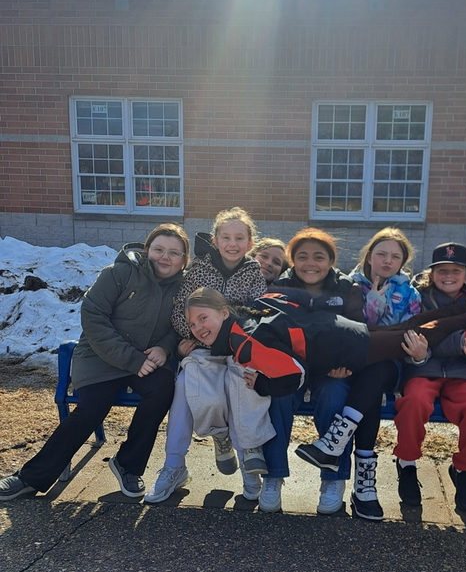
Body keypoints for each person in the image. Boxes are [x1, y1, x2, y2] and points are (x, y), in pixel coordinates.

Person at [0, 224, 190, 502]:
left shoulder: (182, 289)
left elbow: (181, 327)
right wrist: (132, 359)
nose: (165, 257)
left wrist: (165, 347)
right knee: (92, 408)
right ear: (147, 249)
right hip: (101, 357)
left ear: (184, 259)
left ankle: (128, 464)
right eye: (159, 249)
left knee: (163, 389)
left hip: (146, 360)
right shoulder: (119, 274)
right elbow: (93, 316)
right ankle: (30, 477)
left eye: (174, 253)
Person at [182, 285, 466, 426]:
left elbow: (294, 376)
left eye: (203, 319)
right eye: (192, 324)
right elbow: (298, 305)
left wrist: (263, 384)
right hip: (338, 329)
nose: (198, 328)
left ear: (224, 312)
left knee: (417, 335)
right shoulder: (249, 316)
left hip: (343, 347)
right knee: (409, 326)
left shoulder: (245, 343)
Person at [144, 206, 269, 505]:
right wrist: (189, 336)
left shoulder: (253, 272)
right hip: (202, 349)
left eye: (240, 237)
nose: (232, 244)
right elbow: (179, 311)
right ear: (215, 240)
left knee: (240, 386)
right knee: (185, 384)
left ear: (250, 243)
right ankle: (173, 465)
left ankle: (249, 467)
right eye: (226, 237)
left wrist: (228, 327)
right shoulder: (199, 269)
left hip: (238, 351)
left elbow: (262, 314)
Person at [259, 228, 365, 516]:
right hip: (294, 367)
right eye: (302, 256)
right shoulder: (280, 287)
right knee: (278, 394)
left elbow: (357, 332)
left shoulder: (347, 288)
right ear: (293, 260)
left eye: (319, 257)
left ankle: (333, 479)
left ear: (331, 260)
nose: (310, 263)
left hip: (330, 372)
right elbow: (271, 334)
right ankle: (273, 475)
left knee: (335, 396)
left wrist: (345, 367)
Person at [393, 242, 466, 513]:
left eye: (455, 270)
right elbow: (416, 339)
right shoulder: (416, 299)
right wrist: (455, 341)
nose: (448, 276)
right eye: (442, 270)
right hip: (423, 369)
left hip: (463, 373)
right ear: (432, 274)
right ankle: (406, 464)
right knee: (414, 403)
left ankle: (465, 471)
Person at [345, 228, 422, 521]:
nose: (388, 261)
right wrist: (373, 305)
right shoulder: (350, 285)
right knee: (370, 388)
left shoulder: (410, 293)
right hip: (353, 363)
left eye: (395, 256)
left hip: (391, 367)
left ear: (403, 262)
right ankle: (364, 485)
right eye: (382, 254)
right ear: (369, 255)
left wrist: (377, 322)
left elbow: (407, 335)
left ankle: (341, 435)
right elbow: (349, 329)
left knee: (376, 371)